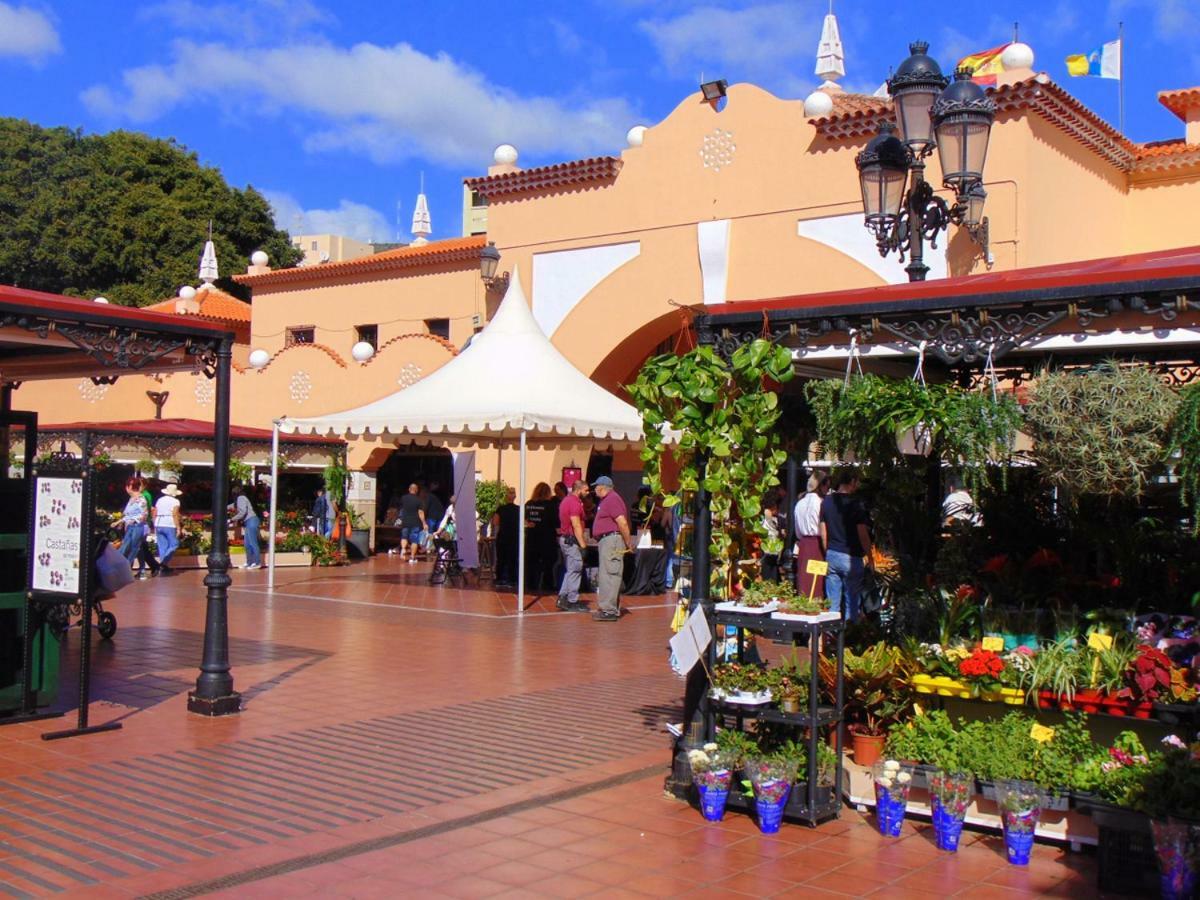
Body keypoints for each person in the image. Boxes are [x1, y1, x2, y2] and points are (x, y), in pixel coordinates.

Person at [819, 470, 872, 621]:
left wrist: (826, 551)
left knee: (832, 605)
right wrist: (870, 556)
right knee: (852, 604)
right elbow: (862, 534)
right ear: (852, 481)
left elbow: (823, 533)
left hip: (832, 553)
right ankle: (850, 638)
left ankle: (831, 638)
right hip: (851, 556)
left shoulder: (827, 501)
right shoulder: (856, 504)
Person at [591, 476, 634, 622]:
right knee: (606, 573)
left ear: (603, 487)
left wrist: (628, 542)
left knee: (610, 573)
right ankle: (608, 607)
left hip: (611, 540)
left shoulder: (612, 499)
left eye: (596, 487)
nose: (594, 489)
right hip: (607, 540)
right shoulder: (606, 500)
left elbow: (622, 522)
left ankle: (609, 610)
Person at [794, 473, 830, 597]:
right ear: (821, 486)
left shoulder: (799, 503)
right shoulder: (821, 503)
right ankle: (815, 603)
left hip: (803, 543)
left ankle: (804, 602)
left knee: (804, 578)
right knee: (816, 579)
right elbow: (824, 528)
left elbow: (797, 530)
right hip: (818, 543)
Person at [556, 479, 589, 612]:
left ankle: (563, 597)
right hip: (571, 540)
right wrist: (583, 545)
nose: (587, 493)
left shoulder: (566, 501)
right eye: (586, 490)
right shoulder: (574, 503)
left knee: (571, 570)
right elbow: (575, 524)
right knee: (575, 569)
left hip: (565, 539)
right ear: (579, 489)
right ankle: (572, 600)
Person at [119, 477, 154, 577]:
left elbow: (144, 514)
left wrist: (132, 520)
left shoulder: (141, 499)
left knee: (132, 549)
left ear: (129, 487)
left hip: (137, 527)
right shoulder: (132, 499)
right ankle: (133, 570)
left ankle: (125, 570)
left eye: (128, 486)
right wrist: (120, 521)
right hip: (130, 527)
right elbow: (128, 514)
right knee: (130, 548)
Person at [229, 485, 262, 569]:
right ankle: (249, 562)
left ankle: (257, 562)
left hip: (252, 521)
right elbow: (233, 506)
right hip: (249, 522)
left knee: (252, 543)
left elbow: (243, 512)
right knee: (247, 544)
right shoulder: (240, 499)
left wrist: (231, 519)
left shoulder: (241, 498)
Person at [154, 483, 183, 575]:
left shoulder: (159, 500)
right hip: (169, 523)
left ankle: (164, 565)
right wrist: (178, 527)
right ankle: (163, 564)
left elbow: (155, 512)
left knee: (162, 546)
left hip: (159, 522)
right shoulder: (175, 502)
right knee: (174, 544)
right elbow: (175, 514)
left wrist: (154, 523)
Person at [493, 487, 519, 586]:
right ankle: (512, 580)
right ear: (515, 496)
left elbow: (495, 522)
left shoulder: (500, 509)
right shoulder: (519, 510)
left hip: (503, 537)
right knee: (513, 559)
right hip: (514, 538)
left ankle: (500, 579)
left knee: (501, 559)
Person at [397, 483, 426, 564]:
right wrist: (424, 523)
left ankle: (403, 549)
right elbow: (420, 512)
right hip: (415, 523)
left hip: (405, 522)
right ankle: (412, 558)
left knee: (404, 537)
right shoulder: (419, 500)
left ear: (409, 489)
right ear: (416, 490)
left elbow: (401, 509)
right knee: (414, 541)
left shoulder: (403, 498)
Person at [760, 496, 782, 583]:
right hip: (770, 547)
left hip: (768, 547)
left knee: (769, 569)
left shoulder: (765, 517)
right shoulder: (768, 517)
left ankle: (769, 586)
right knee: (770, 569)